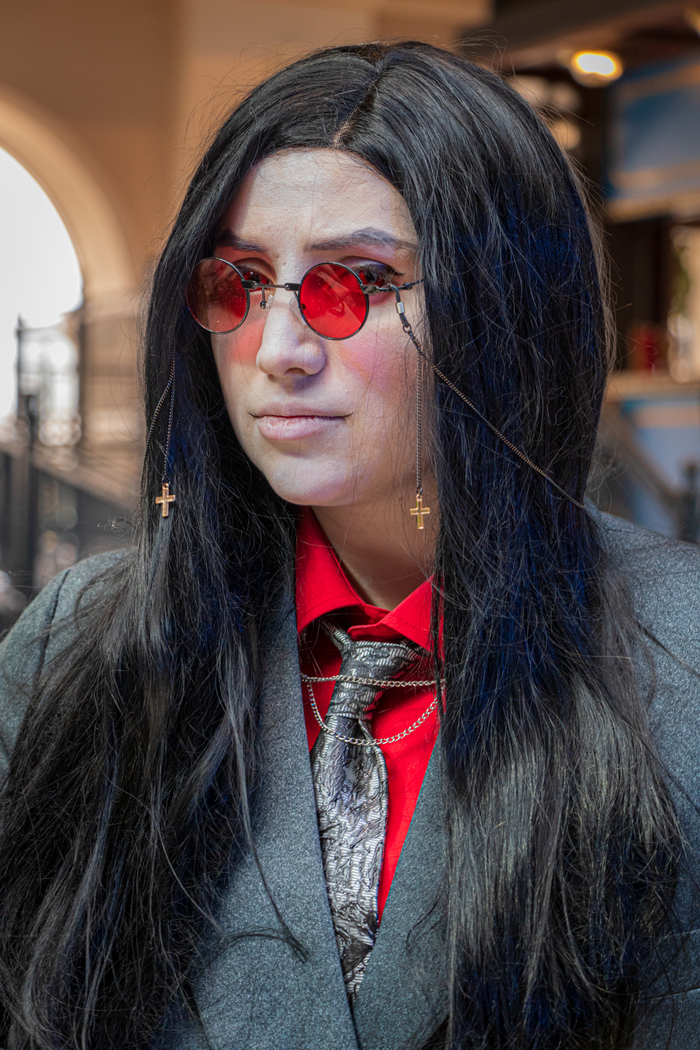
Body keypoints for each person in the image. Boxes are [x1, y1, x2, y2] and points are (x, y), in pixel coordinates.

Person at [0, 39, 699, 1050]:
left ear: (503, 304)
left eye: (359, 281)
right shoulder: (81, 645)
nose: (278, 350)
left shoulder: (681, 656)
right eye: (241, 280)